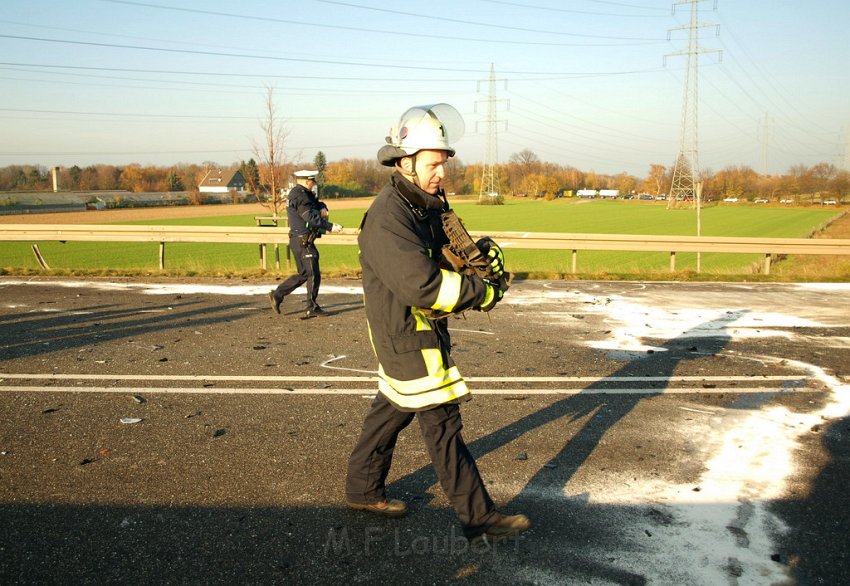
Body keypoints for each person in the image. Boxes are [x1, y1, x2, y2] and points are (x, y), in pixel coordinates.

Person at [345, 103, 530, 545]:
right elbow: (423, 286)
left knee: (392, 408)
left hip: (411, 330)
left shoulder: (423, 204)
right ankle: (479, 517)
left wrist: (472, 260)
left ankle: (361, 488)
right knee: (443, 423)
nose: (441, 173)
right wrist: (482, 292)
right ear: (404, 163)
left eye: (443, 163)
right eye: (432, 164)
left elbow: (444, 250)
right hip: (408, 334)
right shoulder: (389, 217)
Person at [268, 169, 342, 319]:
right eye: (312, 181)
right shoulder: (301, 195)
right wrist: (330, 226)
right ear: (307, 181)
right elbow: (308, 216)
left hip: (297, 239)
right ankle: (311, 307)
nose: (314, 184)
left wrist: (322, 205)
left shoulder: (301, 193)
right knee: (313, 273)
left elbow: (314, 203)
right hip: (303, 240)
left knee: (304, 274)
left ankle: (278, 294)